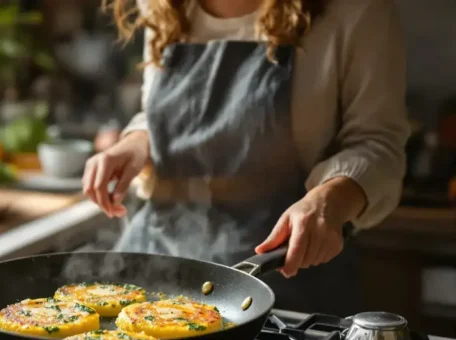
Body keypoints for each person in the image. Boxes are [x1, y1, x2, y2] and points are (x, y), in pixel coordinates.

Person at [82, 0, 409, 314]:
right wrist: (137, 141)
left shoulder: (355, 10)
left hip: (281, 283)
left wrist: (330, 200)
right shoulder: (163, 5)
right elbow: (170, 115)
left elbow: (378, 144)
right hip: (154, 272)